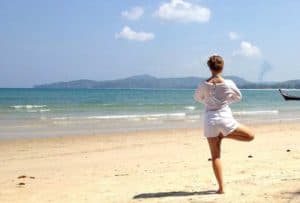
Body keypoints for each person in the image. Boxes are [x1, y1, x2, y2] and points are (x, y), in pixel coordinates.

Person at [194, 55, 255, 194]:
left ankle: (221, 188)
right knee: (251, 136)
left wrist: (208, 102)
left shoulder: (203, 84)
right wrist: (226, 102)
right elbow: (238, 97)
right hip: (225, 119)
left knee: (215, 156)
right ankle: (224, 136)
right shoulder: (229, 83)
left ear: (209, 68)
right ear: (222, 67)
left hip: (210, 121)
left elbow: (197, 98)